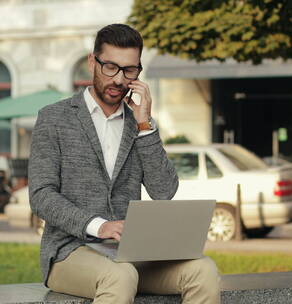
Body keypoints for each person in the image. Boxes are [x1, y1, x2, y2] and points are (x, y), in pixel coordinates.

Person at [28, 23, 221, 304]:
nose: (119, 80)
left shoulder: (139, 124)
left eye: (129, 71)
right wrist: (98, 226)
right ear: (93, 62)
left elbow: (164, 191)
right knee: (119, 275)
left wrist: (145, 124)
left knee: (203, 270)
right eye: (111, 68)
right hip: (69, 252)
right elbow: (41, 196)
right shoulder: (54, 118)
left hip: (132, 253)